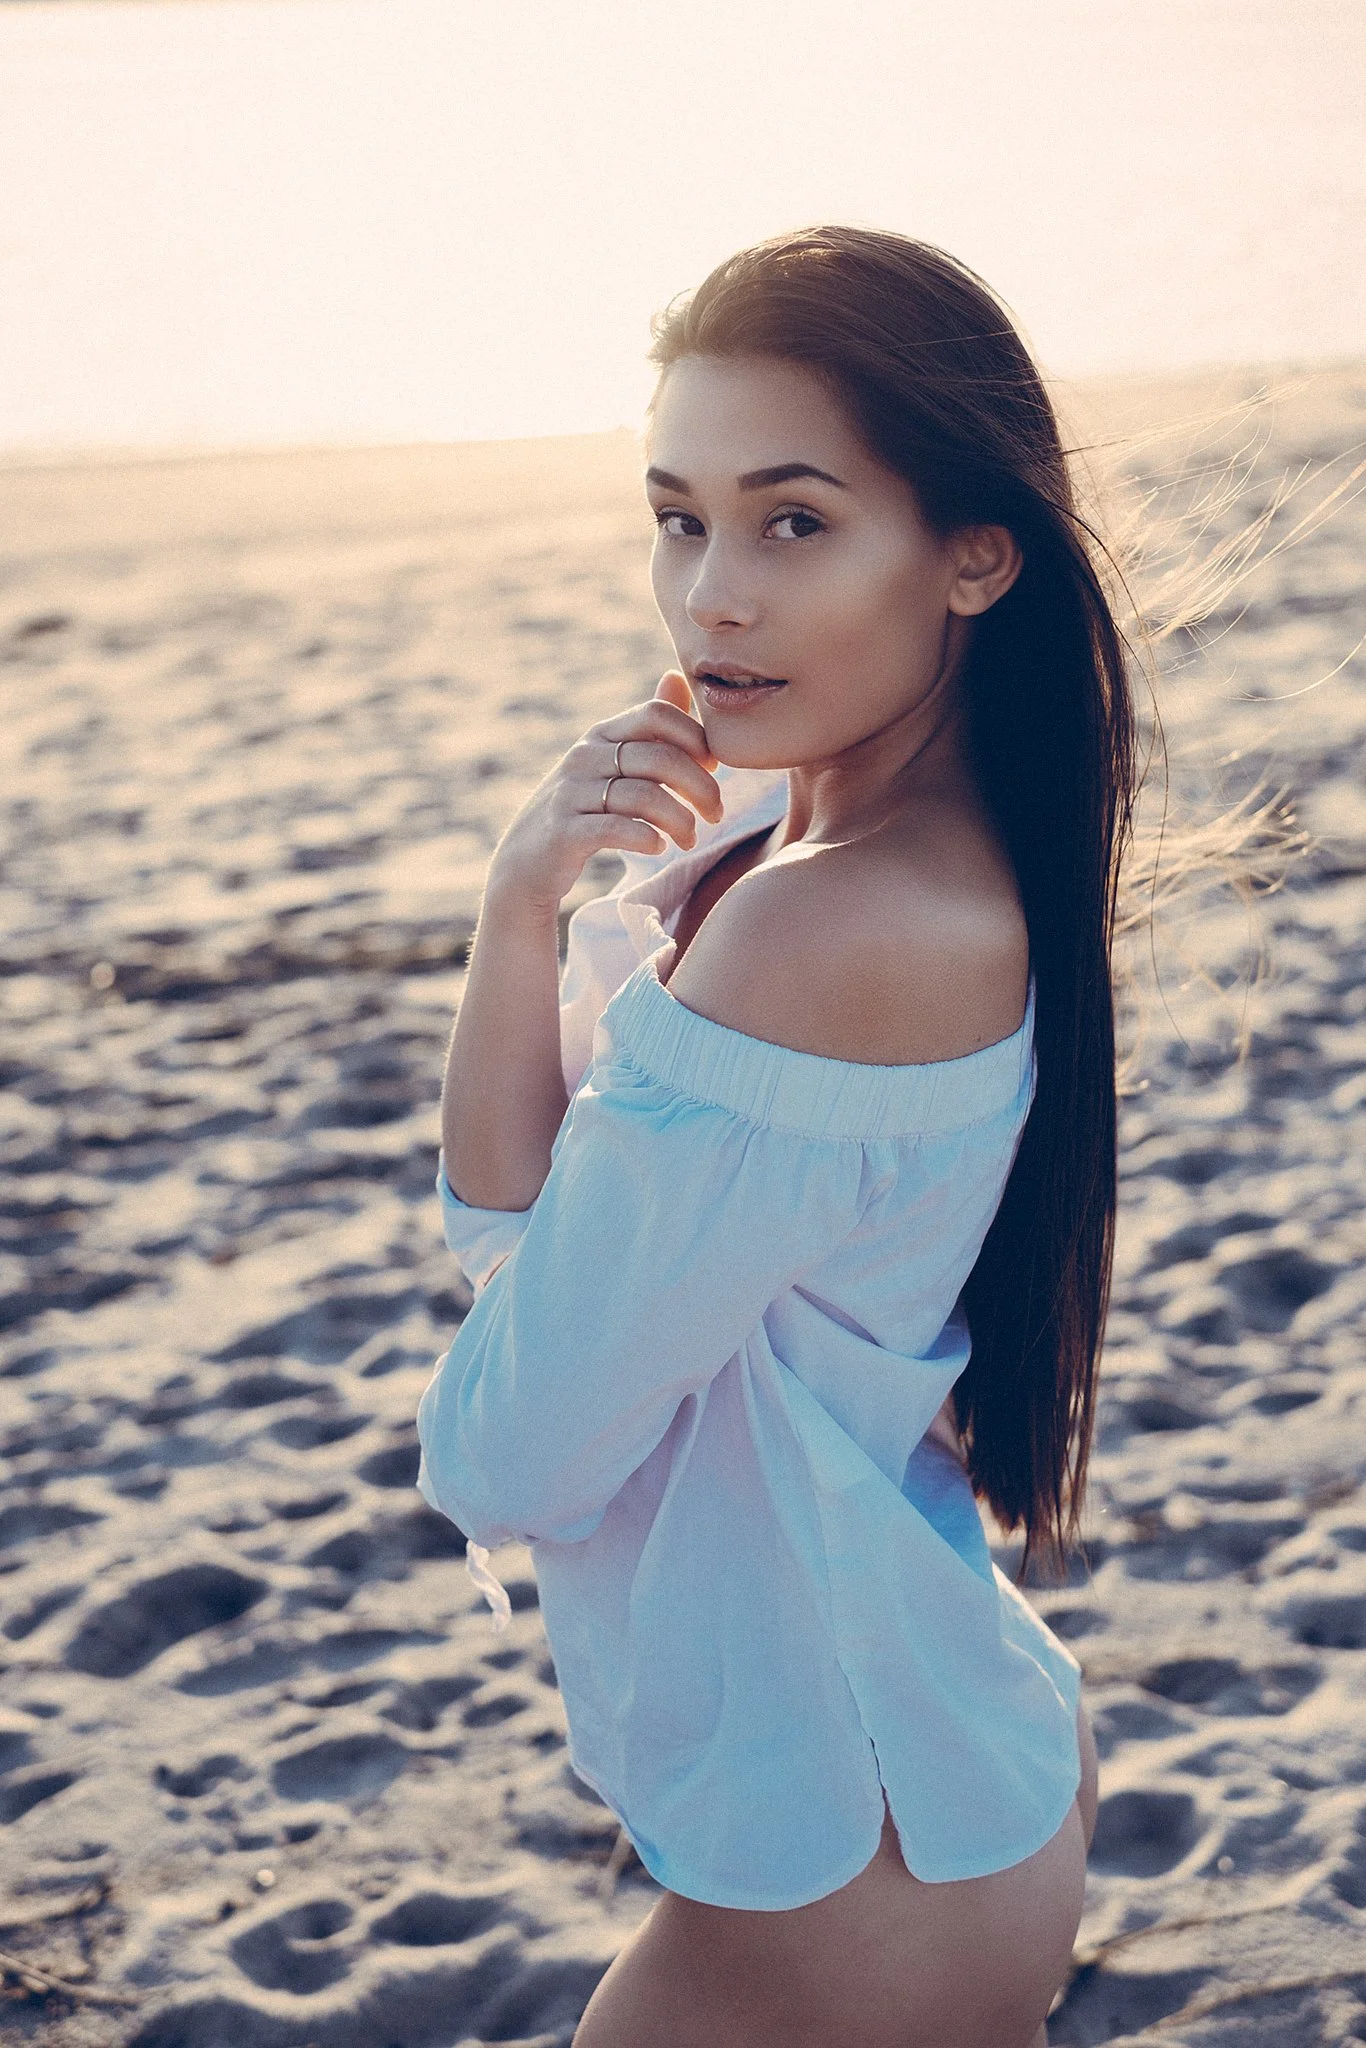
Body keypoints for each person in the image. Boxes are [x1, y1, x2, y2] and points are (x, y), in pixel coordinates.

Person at [416, 225, 1123, 2047]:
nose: (710, 596)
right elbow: (539, 1228)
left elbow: (504, 1448)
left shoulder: (833, 928)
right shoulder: (798, 868)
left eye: (793, 521)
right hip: (933, 1752)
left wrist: (530, 1280)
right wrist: (517, 909)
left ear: (975, 554)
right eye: (678, 517)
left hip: (855, 1862)